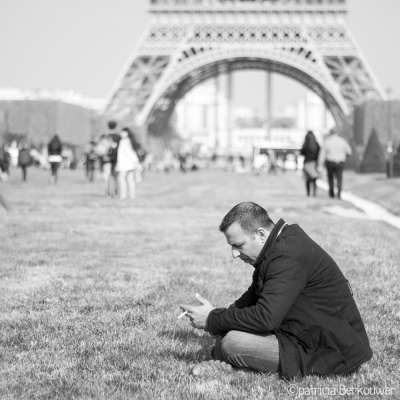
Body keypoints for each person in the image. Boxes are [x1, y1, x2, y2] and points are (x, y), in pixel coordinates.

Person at [180, 202, 372, 379]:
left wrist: (213, 319)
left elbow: (265, 318)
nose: (234, 254)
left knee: (233, 344)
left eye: (238, 245)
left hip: (331, 349)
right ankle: (229, 361)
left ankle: (229, 362)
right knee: (228, 335)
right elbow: (254, 295)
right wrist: (219, 318)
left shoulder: (287, 256)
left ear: (261, 234)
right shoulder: (277, 246)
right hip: (304, 333)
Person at [320, 129, 352, 199]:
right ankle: (339, 194)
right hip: (339, 162)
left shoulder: (327, 141)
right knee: (339, 178)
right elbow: (349, 151)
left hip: (330, 162)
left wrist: (320, 163)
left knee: (330, 178)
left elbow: (322, 154)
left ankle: (331, 194)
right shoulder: (342, 141)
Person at [115, 127, 140, 200]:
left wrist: (136, 161)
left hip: (124, 164)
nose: (121, 134)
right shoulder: (130, 141)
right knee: (130, 180)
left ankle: (123, 195)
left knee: (121, 179)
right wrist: (136, 162)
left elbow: (128, 152)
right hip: (130, 164)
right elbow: (132, 153)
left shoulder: (124, 141)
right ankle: (132, 196)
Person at [300, 131, 320, 197]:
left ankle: (308, 193)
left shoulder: (305, 144)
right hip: (314, 163)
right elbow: (319, 154)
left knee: (307, 179)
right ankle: (314, 193)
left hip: (307, 163)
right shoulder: (316, 144)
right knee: (314, 179)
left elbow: (302, 152)